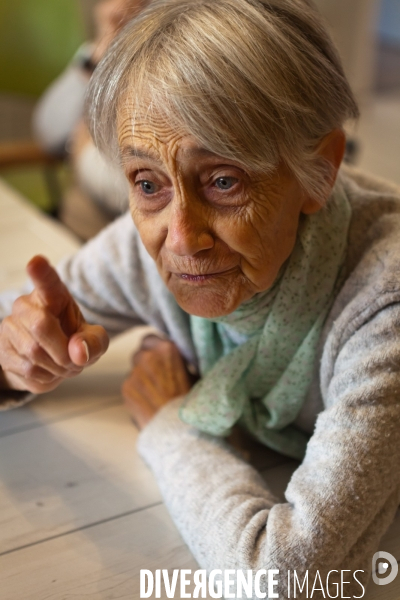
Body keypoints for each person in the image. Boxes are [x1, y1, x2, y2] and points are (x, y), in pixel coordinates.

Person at [1, 0, 400, 597]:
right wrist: (18, 354)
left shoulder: (383, 305)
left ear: (319, 168)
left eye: (223, 180)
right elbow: (21, 317)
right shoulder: (145, 245)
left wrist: (171, 424)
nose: (182, 238)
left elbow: (294, 577)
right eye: (147, 183)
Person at [33, 0, 150, 238]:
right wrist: (102, 48)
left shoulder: (179, 51)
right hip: (72, 229)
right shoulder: (117, 39)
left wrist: (82, 153)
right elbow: (50, 132)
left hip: (129, 242)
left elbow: (151, 190)